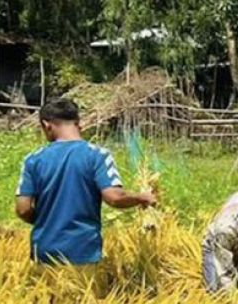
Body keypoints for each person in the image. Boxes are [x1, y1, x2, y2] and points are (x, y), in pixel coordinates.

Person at [14, 98, 157, 268]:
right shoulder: (97, 155)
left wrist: (49, 221)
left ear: (47, 125)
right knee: (84, 295)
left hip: (44, 253)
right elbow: (114, 197)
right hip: (83, 251)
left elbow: (23, 209)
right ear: (78, 123)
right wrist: (142, 197)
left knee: (47, 295)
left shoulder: (33, 160)